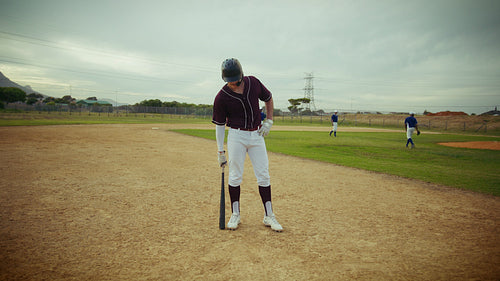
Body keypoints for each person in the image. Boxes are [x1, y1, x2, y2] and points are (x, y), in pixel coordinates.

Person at [212, 58, 283, 232]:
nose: (232, 84)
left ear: (241, 75)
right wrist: (220, 150)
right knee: (235, 176)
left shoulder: (253, 82)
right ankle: (235, 214)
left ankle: (269, 215)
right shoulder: (221, 97)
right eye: (228, 81)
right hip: (236, 136)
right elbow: (220, 125)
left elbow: (269, 98)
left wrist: (269, 120)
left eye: (234, 80)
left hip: (257, 135)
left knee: (263, 175)